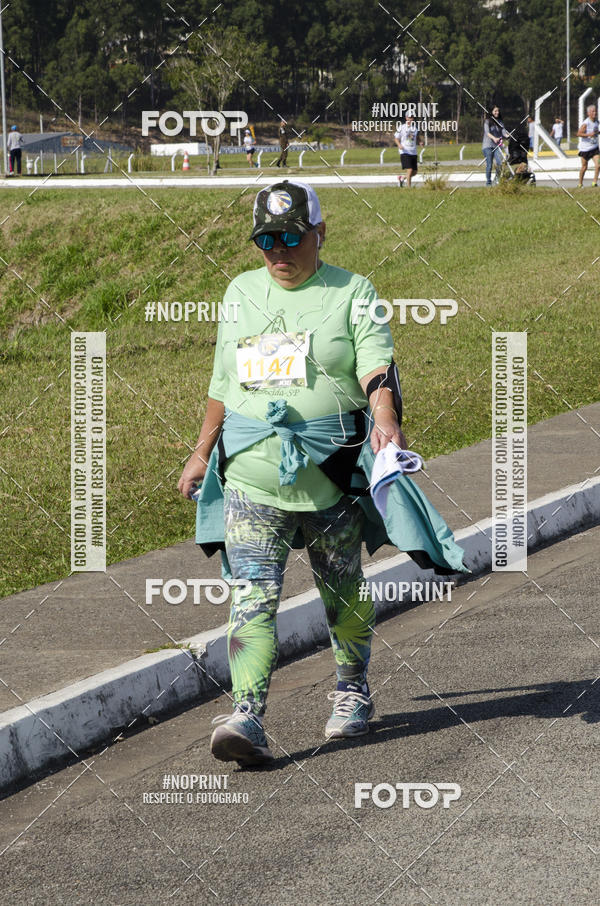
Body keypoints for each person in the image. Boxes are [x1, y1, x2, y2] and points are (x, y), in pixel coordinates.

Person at [178, 180, 468, 767]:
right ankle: (247, 715)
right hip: (252, 480)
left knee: (341, 590)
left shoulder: (353, 293)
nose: (278, 252)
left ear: (319, 233)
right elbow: (222, 384)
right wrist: (203, 451)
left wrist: (384, 419)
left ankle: (351, 690)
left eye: (290, 237)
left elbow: (378, 368)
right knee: (251, 598)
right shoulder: (239, 291)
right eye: (266, 240)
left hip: (330, 478)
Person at [482, 106, 508, 186]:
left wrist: (507, 135)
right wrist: (494, 138)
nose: (497, 112)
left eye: (498, 111)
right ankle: (488, 183)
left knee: (499, 163)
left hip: (497, 146)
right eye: (495, 111)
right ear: (491, 112)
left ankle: (497, 180)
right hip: (487, 146)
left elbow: (503, 132)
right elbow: (487, 133)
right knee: (489, 165)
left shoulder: (500, 122)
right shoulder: (487, 121)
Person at [394, 115, 420, 187]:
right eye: (409, 117)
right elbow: (396, 138)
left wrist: (420, 142)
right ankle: (409, 188)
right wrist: (399, 145)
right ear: (406, 118)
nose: (410, 119)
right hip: (405, 151)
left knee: (414, 172)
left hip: (413, 152)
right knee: (410, 170)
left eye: (412, 117)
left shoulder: (415, 128)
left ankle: (402, 178)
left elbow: (417, 138)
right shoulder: (401, 127)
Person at [577, 104, 599, 188]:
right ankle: (580, 183)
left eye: (595, 111)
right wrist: (589, 134)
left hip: (594, 148)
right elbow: (579, 133)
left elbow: (596, 131)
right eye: (593, 111)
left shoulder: (597, 121)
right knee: (584, 167)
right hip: (585, 149)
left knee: (598, 164)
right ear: (588, 113)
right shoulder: (586, 123)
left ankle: (594, 182)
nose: (595, 112)